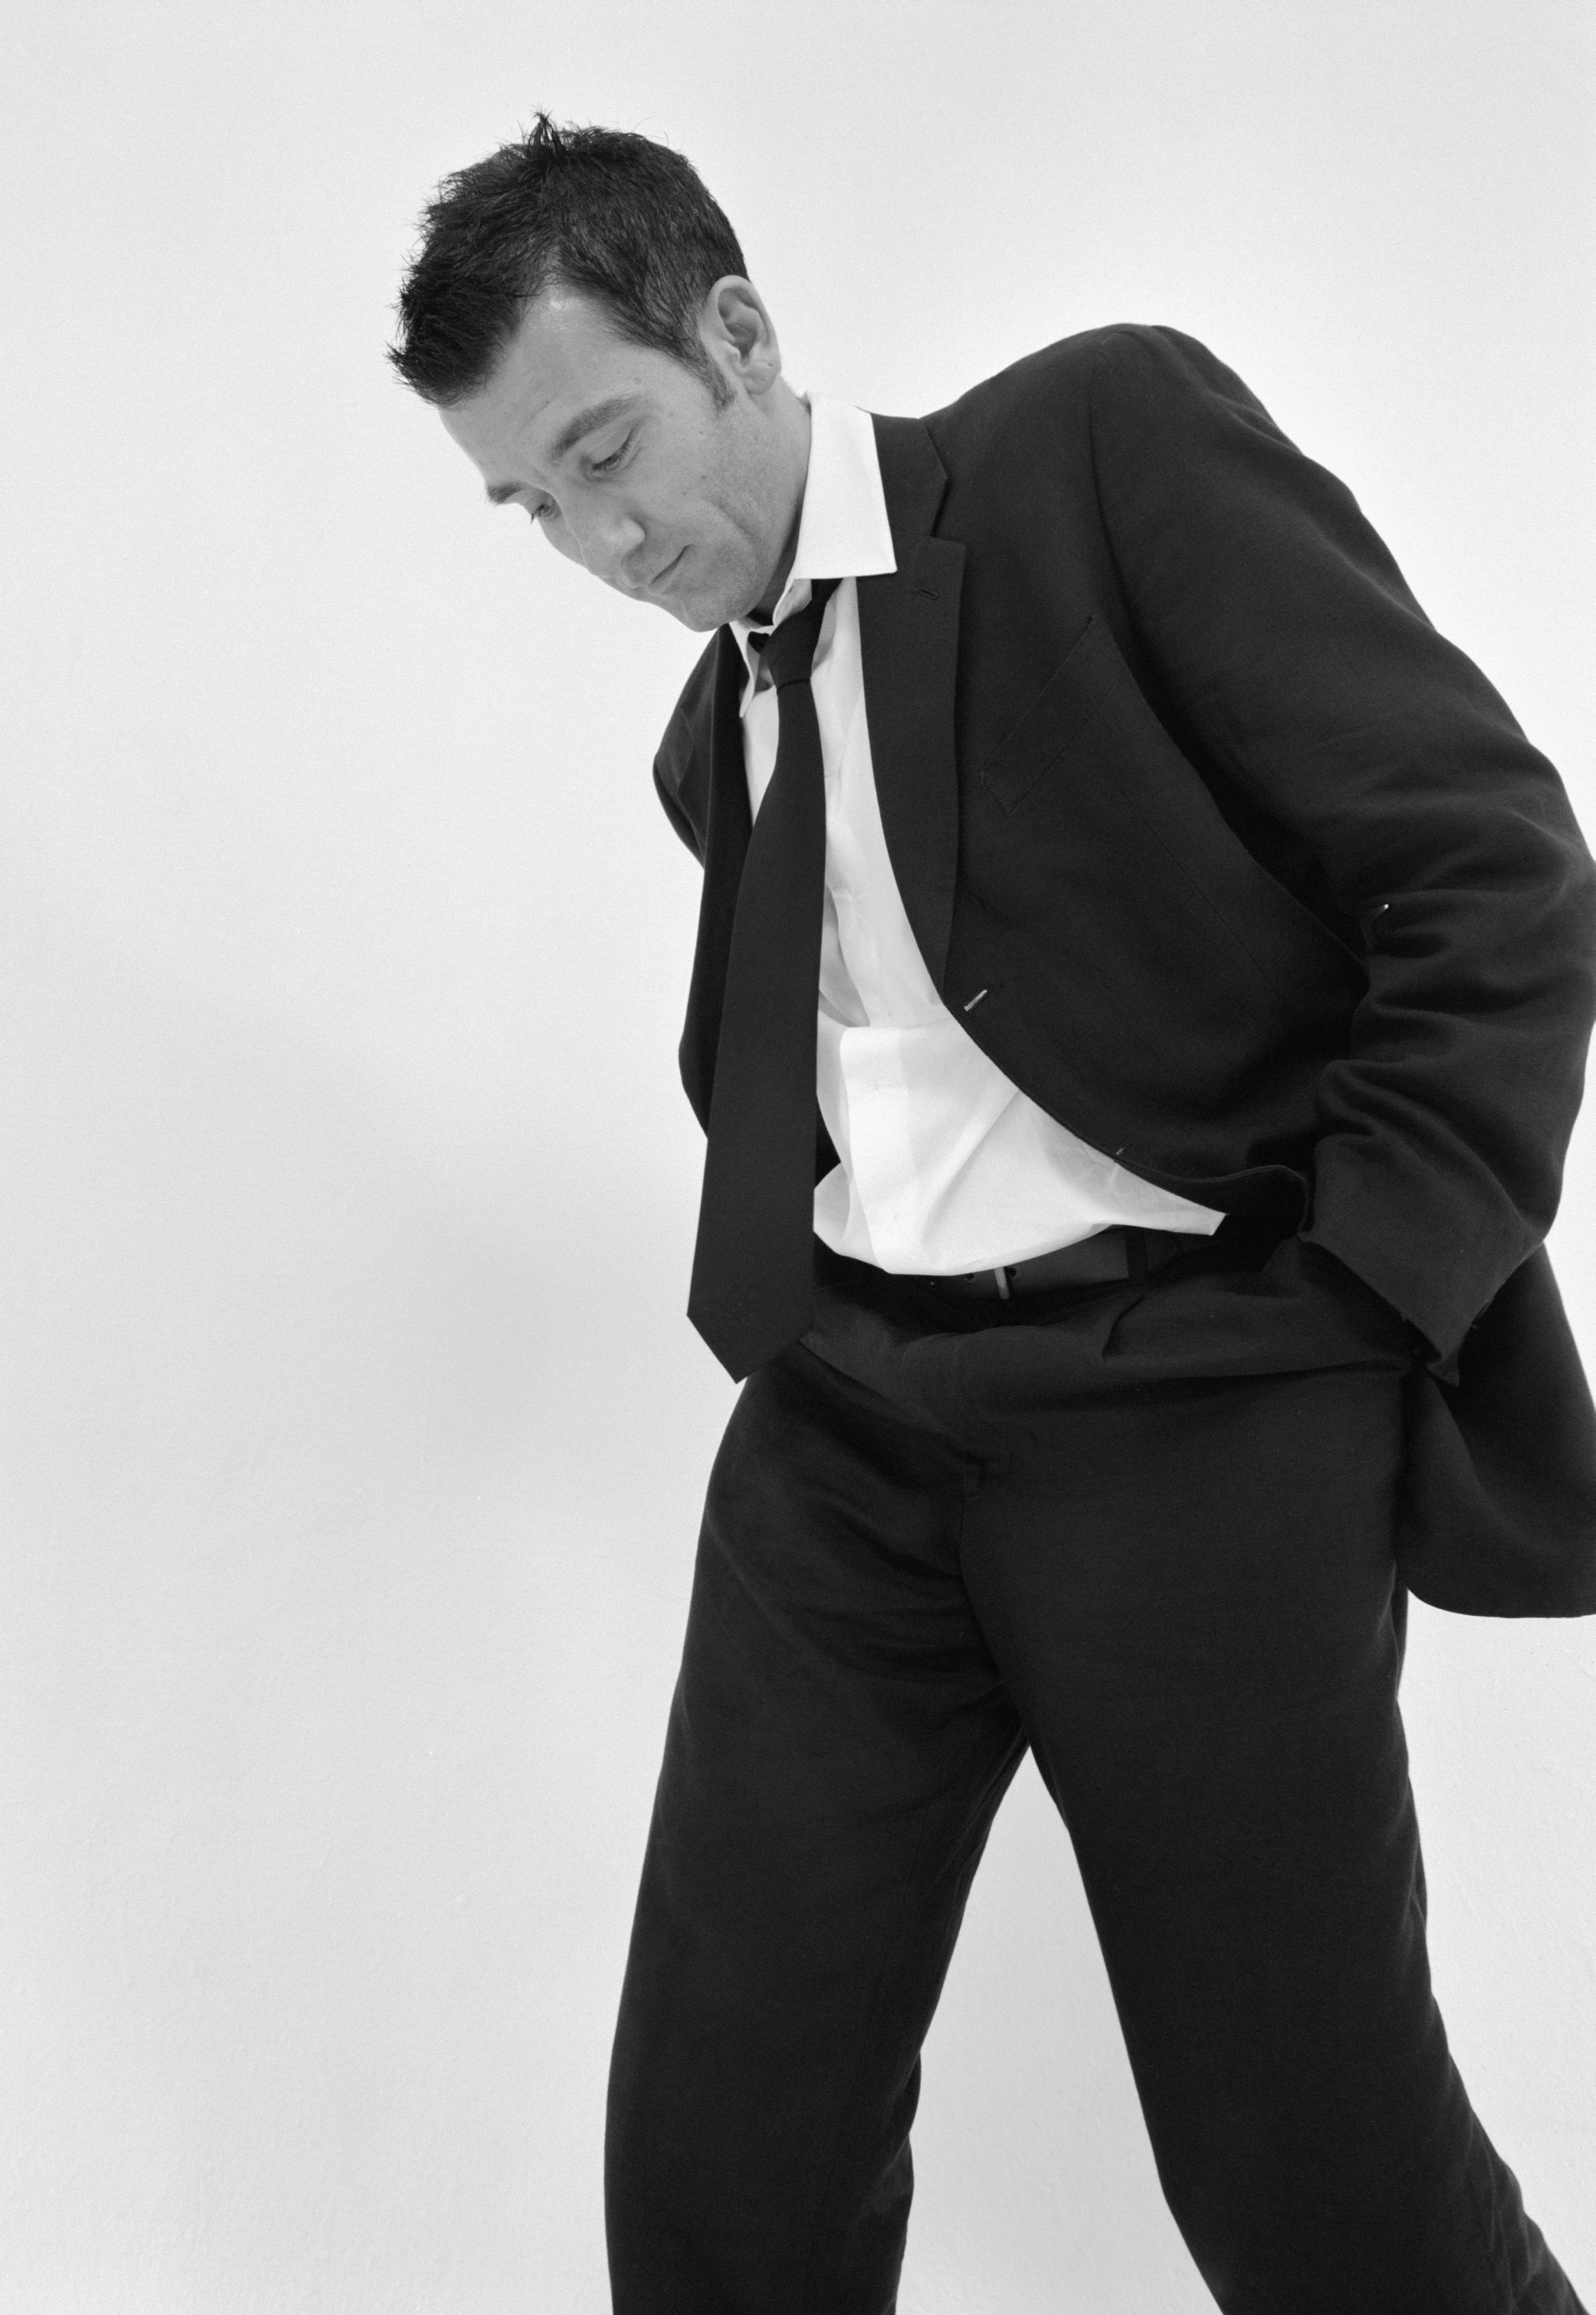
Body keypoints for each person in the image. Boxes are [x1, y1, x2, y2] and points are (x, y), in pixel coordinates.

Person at [391, 114, 1595, 2314]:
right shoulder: (718, 736)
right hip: (852, 1430)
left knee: (1313, 2180)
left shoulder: (1091, 452)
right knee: (720, 2157)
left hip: (1201, 1405)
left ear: (736, 333)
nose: (599, 538)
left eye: (605, 449)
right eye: (531, 506)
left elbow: (1493, 872)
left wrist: (1366, 1290)